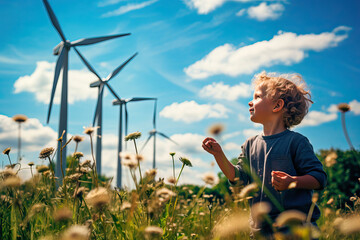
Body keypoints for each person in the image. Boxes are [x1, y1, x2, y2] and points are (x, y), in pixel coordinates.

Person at [202, 71, 327, 238]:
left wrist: (293, 181)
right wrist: (218, 154)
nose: (250, 102)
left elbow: (319, 178)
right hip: (260, 231)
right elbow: (238, 179)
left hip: (296, 230)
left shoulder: (296, 142)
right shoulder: (249, 144)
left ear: (277, 106)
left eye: (257, 97)